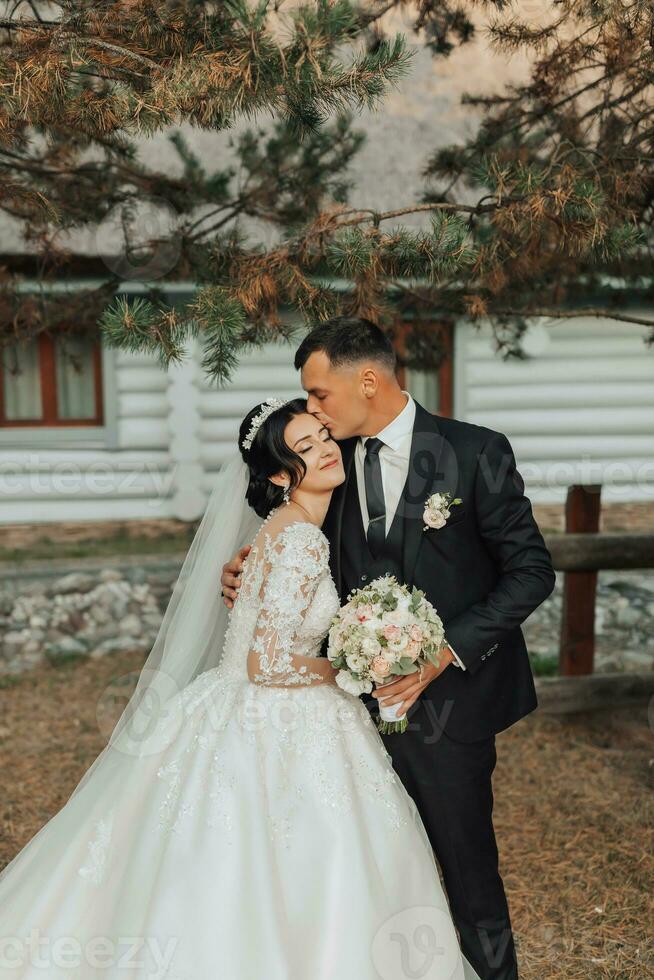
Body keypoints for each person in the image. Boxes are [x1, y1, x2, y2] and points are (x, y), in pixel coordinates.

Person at [0, 395, 482, 980]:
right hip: (275, 711)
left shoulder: (281, 530)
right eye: (305, 449)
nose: (327, 449)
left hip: (225, 704)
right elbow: (266, 662)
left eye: (324, 438)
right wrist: (355, 669)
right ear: (280, 474)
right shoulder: (300, 540)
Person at [221, 316, 557, 980]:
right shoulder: (328, 461)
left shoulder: (474, 452)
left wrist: (443, 652)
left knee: (468, 874)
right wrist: (243, 573)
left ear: (367, 380)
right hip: (339, 719)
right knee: (359, 875)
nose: (311, 410)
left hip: (449, 710)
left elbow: (531, 572)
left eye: (319, 395)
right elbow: (290, 545)